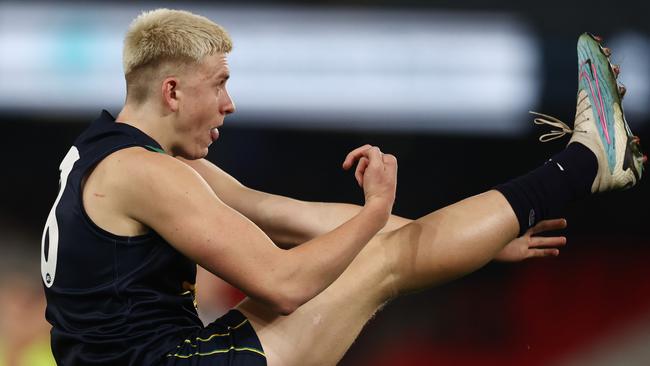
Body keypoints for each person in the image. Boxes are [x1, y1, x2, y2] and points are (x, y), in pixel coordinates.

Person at [40, 8, 645, 366]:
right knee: (379, 263)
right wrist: (375, 206)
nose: (230, 103)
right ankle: (590, 159)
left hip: (174, 354)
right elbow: (283, 284)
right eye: (218, 83)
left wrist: (480, 237)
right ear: (172, 91)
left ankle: (583, 163)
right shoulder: (148, 174)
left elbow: (282, 214)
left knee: (383, 252)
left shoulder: (120, 156)